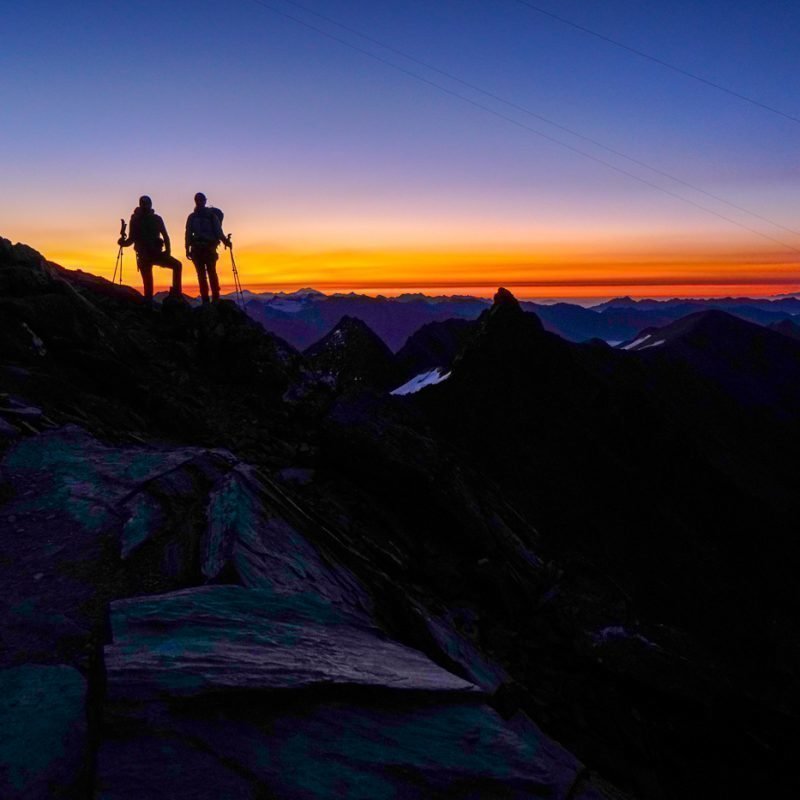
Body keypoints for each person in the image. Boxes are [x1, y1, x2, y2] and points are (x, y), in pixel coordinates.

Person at [118, 196, 182, 304]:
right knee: (177, 266)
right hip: (153, 254)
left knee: (149, 286)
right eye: (145, 204)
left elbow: (130, 240)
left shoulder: (136, 219)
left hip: (147, 256)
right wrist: (167, 251)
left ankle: (152, 305)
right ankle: (176, 295)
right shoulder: (153, 219)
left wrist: (121, 243)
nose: (145, 206)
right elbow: (165, 236)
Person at [185, 192, 231, 304]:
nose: (200, 202)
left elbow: (188, 234)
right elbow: (218, 232)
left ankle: (208, 299)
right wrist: (226, 242)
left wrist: (187, 248)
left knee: (203, 275)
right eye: (198, 200)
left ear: (204, 201)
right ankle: (214, 298)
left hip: (198, 249)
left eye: (200, 200)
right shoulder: (210, 216)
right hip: (206, 249)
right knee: (210, 273)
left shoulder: (193, 217)